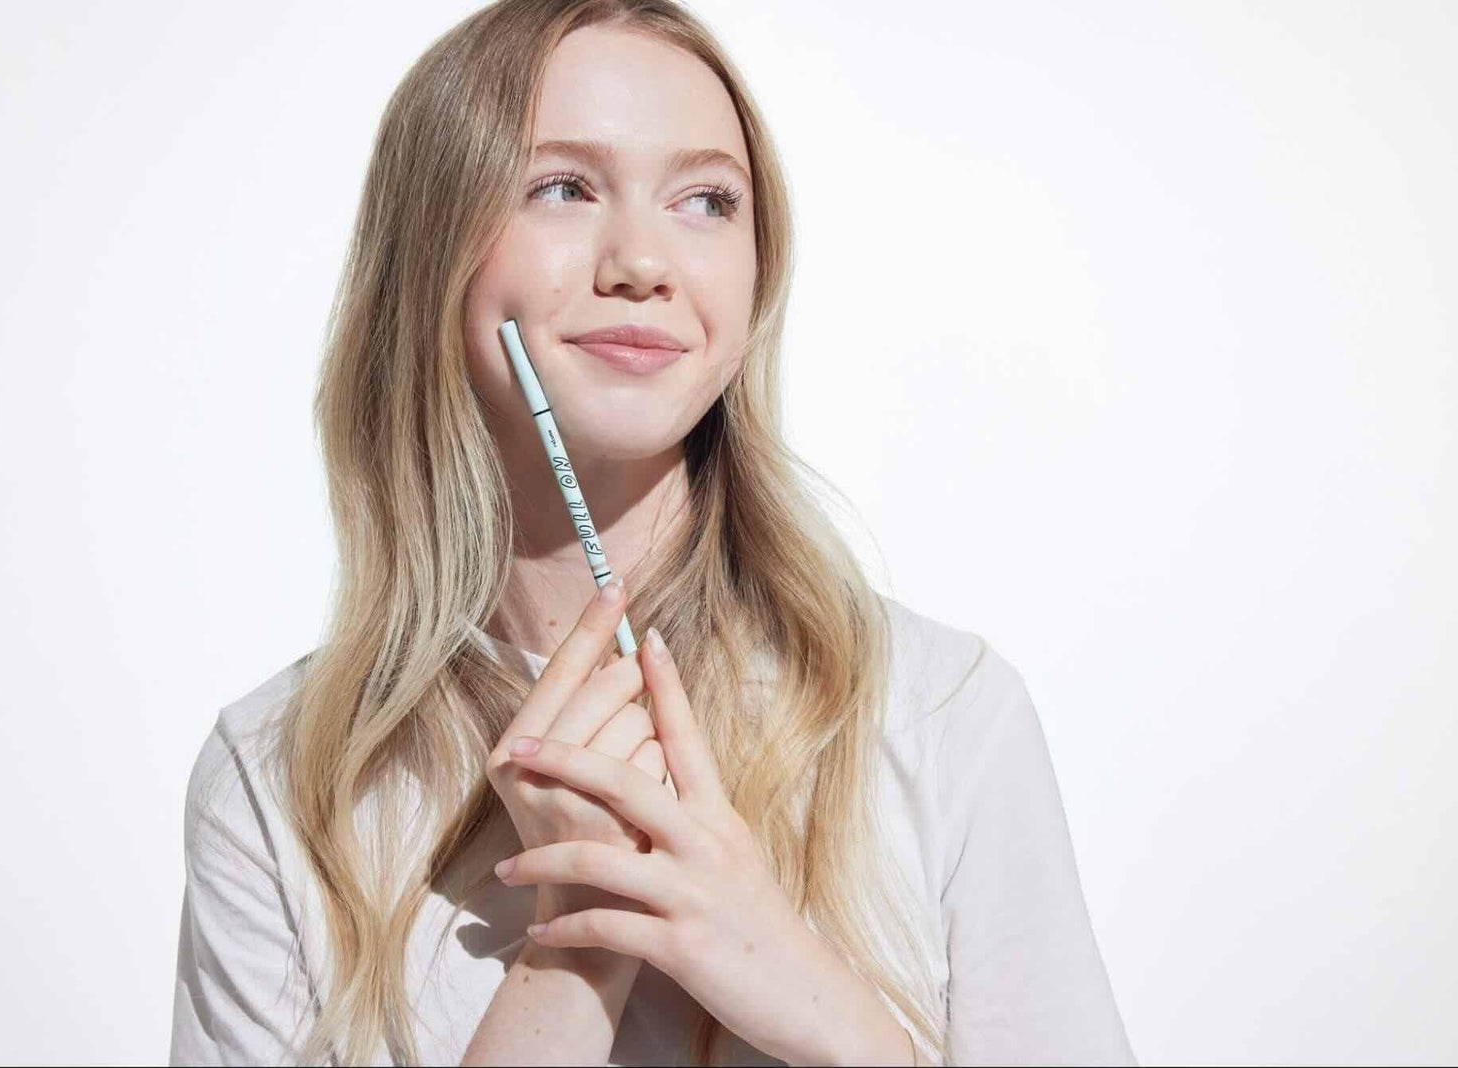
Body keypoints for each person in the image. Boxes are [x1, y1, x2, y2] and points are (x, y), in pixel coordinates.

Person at [170, 1, 1136, 1064]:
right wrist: (574, 949)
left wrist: (801, 986)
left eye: (707, 200)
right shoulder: (282, 781)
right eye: (562, 187)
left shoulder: (939, 718)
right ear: (429, 251)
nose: (642, 261)